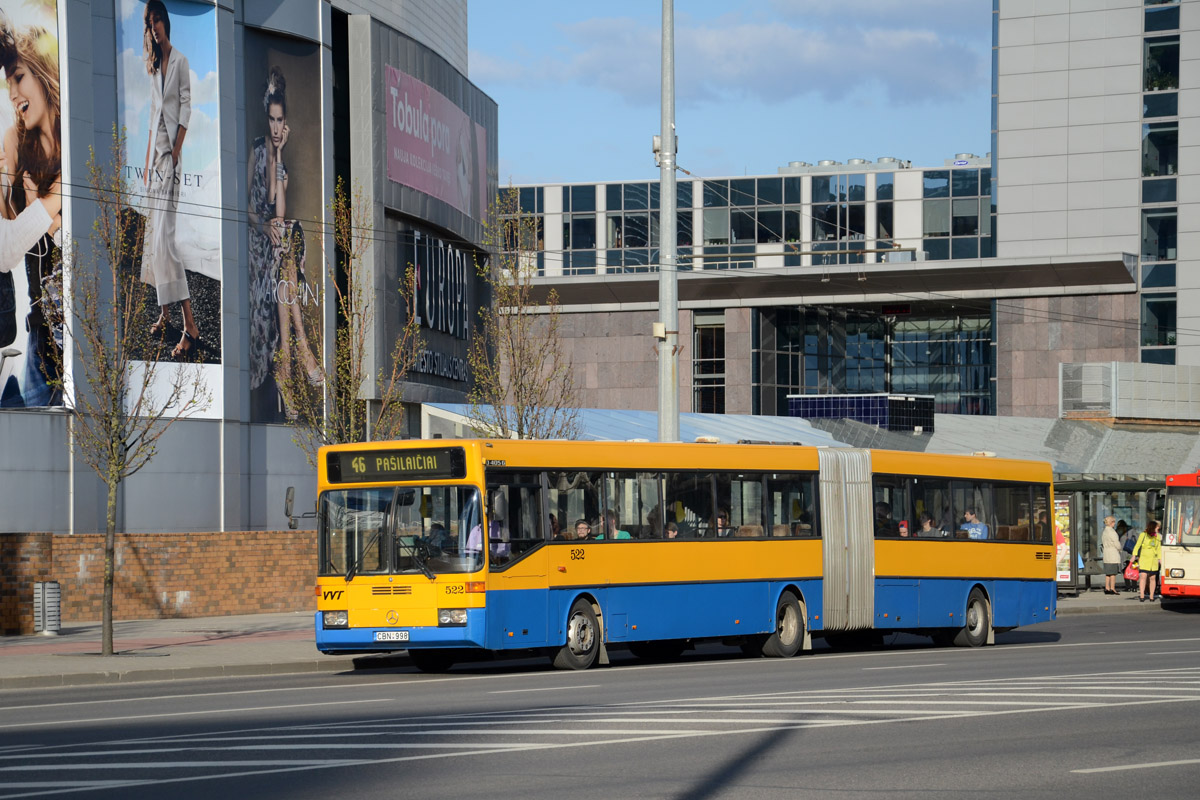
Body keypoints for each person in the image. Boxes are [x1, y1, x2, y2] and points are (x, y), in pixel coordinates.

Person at [247, 65, 320, 414]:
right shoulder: (255, 149)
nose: (276, 128)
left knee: (287, 238)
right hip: (254, 242)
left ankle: (289, 363)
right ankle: (299, 353)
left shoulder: (279, 158)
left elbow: (280, 208)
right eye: (272, 120)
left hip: (276, 246)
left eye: (281, 121)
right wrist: (263, 229)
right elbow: (245, 207)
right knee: (283, 245)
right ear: (267, 118)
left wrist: (280, 155)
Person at [140, 1, 201, 359]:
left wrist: (175, 152)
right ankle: (164, 315)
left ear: (166, 22)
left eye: (157, 20)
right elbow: (152, 118)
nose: (154, 27)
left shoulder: (180, 62)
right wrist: (148, 166)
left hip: (172, 164)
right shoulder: (153, 68)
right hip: (156, 166)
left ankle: (189, 324)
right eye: (149, 23)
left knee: (166, 244)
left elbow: (187, 107)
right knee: (155, 241)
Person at [1130, 520, 1163, 602]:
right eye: (1156, 527)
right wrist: (1134, 556)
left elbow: (1159, 548)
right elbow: (1137, 546)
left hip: (1153, 559)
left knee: (1152, 578)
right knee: (1143, 576)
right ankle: (1142, 594)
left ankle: (1151, 595)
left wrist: (1160, 559)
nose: (1157, 529)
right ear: (1153, 527)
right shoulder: (1143, 535)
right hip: (1144, 558)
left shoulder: (1157, 536)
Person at [1100, 515, 1122, 595]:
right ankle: (1112, 588)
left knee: (1108, 573)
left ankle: (1107, 587)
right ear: (1111, 522)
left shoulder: (1104, 531)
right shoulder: (1112, 532)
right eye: (1114, 522)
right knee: (1113, 573)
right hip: (1113, 553)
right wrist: (1120, 549)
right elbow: (1117, 543)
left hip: (1106, 553)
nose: (1114, 524)